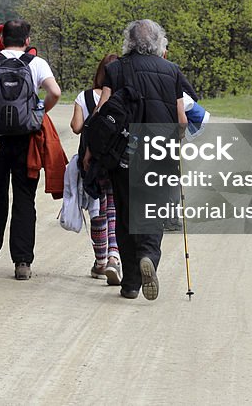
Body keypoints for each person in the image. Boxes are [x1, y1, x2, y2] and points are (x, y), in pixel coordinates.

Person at [94, 19, 187, 301]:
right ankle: (148, 255)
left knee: (125, 215)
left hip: (125, 151)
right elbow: (181, 119)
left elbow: (102, 111)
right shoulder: (171, 71)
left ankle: (131, 284)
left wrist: (93, 149)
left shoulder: (115, 68)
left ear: (129, 42)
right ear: (159, 42)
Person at [0, 20, 61, 280]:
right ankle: (22, 262)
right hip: (27, 141)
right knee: (25, 199)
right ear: (26, 40)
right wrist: (39, 112)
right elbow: (55, 92)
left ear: (4, 38)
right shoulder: (36, 63)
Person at [70, 53, 121, 286]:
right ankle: (114, 256)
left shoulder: (85, 96)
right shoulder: (124, 97)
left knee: (97, 209)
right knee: (114, 210)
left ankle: (100, 262)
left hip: (91, 160)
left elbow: (76, 127)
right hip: (117, 159)